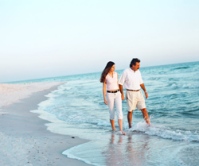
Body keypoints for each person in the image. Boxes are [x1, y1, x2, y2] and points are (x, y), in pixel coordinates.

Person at [119, 58, 150, 128]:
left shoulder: (138, 72)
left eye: (139, 65)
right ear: (133, 65)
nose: (139, 67)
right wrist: (122, 94)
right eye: (137, 65)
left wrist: (145, 91)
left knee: (144, 109)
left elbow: (141, 83)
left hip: (139, 92)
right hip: (130, 93)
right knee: (130, 110)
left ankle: (148, 124)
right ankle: (130, 126)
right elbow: (120, 83)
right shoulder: (126, 71)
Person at [100, 61, 125, 135]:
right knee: (112, 112)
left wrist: (121, 93)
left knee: (119, 111)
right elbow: (104, 87)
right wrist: (104, 97)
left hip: (117, 93)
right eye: (113, 67)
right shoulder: (106, 75)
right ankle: (113, 128)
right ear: (109, 67)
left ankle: (121, 130)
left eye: (114, 67)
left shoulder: (116, 74)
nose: (114, 68)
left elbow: (118, 84)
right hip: (109, 94)